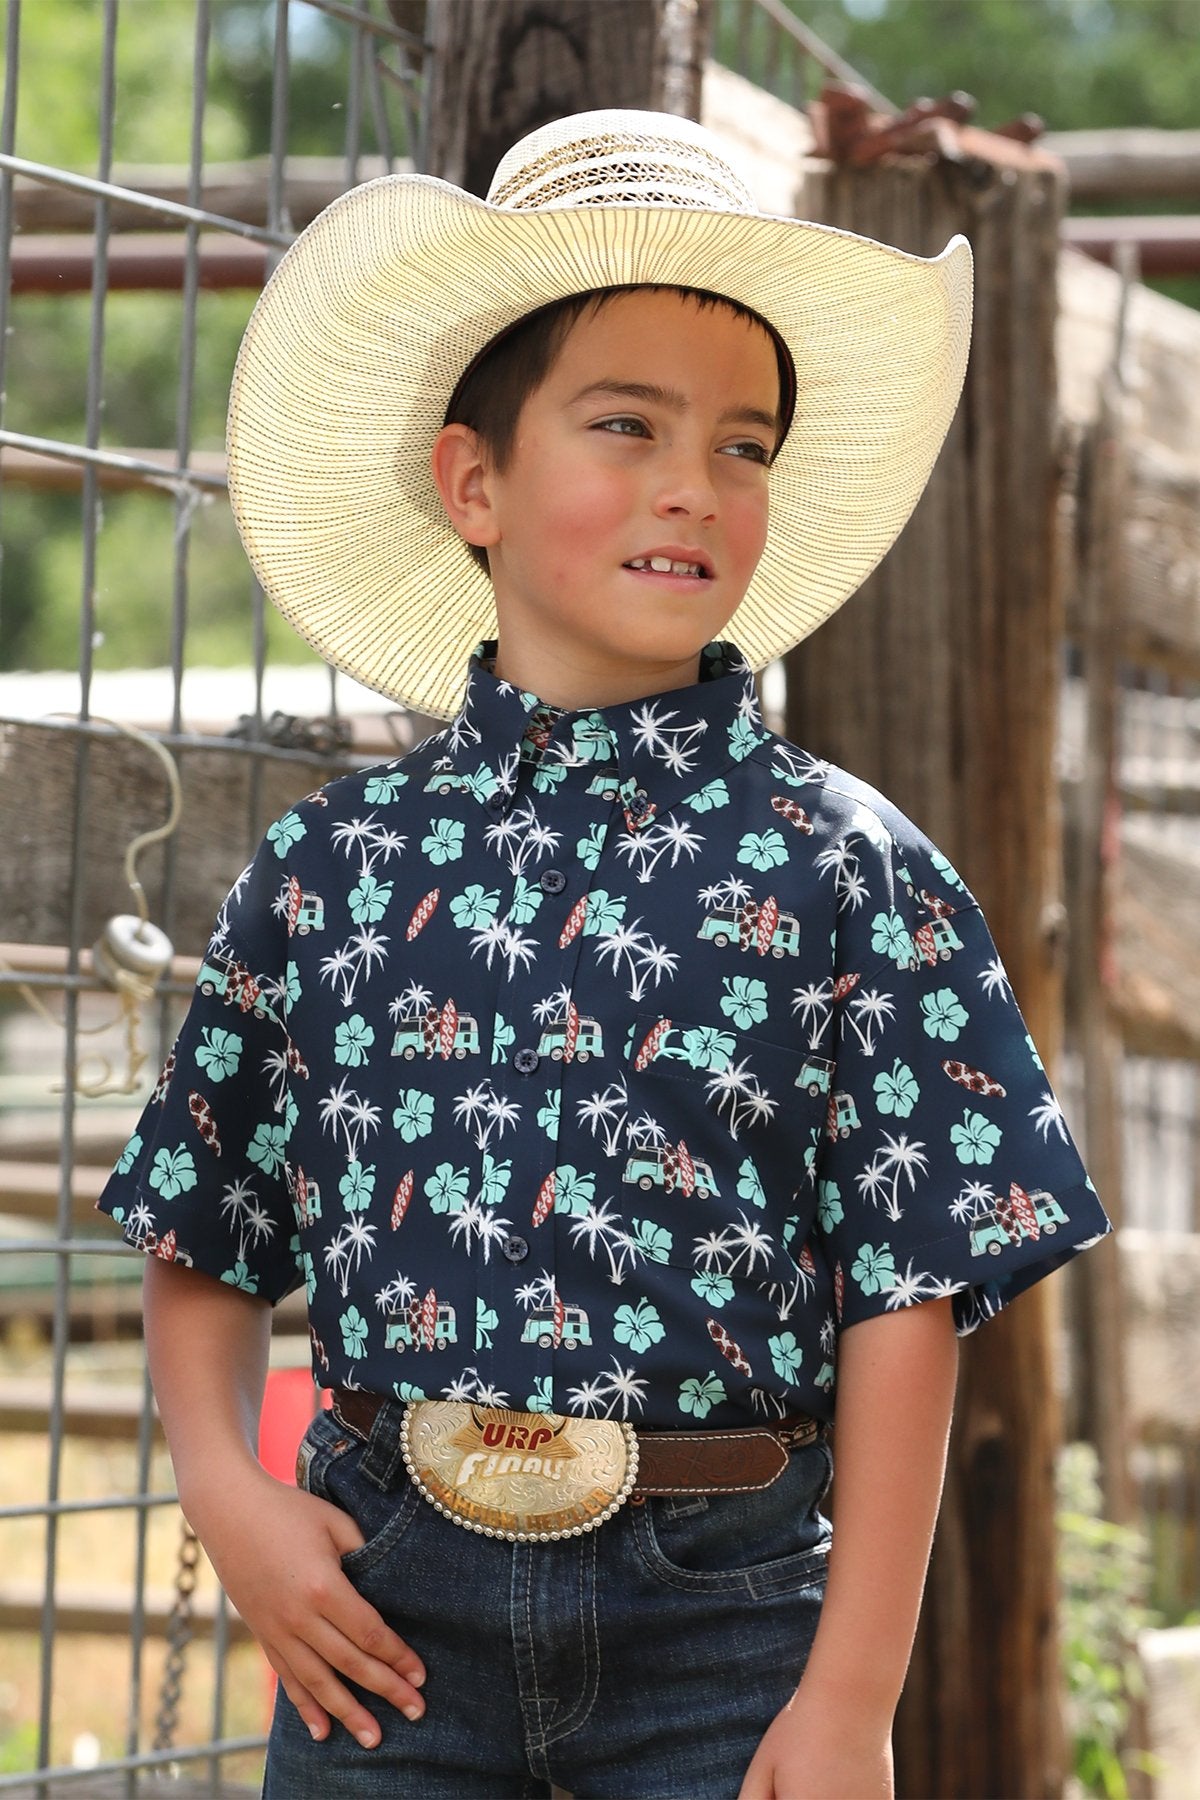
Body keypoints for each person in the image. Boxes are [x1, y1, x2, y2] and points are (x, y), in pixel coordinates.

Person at [98, 110, 1111, 1800]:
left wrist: (854, 1694)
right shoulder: (334, 871)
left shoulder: (850, 874)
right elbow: (205, 1219)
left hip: (724, 1628)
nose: (692, 486)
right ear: (473, 482)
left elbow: (911, 1295)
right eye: (626, 423)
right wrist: (228, 1492)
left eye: (746, 444)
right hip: (380, 1614)